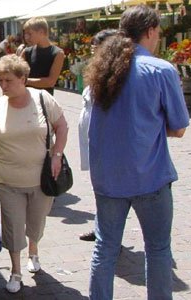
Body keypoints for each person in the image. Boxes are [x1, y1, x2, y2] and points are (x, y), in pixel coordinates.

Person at [85, 6, 189, 300]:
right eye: (157, 33)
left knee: (105, 248)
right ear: (149, 31)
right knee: (157, 250)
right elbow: (179, 127)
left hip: (107, 178)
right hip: (150, 177)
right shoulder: (160, 69)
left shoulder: (102, 69)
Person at [0, 54, 68, 293]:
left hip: (41, 179)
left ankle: (34, 250)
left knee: (36, 223)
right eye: (0, 81)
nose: (3, 86)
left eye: (8, 80)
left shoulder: (42, 100)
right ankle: (15, 270)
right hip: (7, 179)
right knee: (13, 225)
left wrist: (57, 154)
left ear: (23, 78)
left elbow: (62, 126)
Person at [77, 29, 118, 242]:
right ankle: (102, 227)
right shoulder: (98, 71)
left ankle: (110, 233)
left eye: (96, 47)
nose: (93, 51)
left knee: (109, 191)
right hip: (94, 144)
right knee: (99, 189)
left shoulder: (114, 76)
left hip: (106, 145)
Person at [22, 17, 64, 95]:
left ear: (41, 32)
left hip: (45, 100)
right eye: (25, 34)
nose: (26, 37)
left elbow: (50, 82)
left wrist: (25, 81)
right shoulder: (26, 52)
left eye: (29, 34)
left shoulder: (58, 53)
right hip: (26, 98)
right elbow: (15, 74)